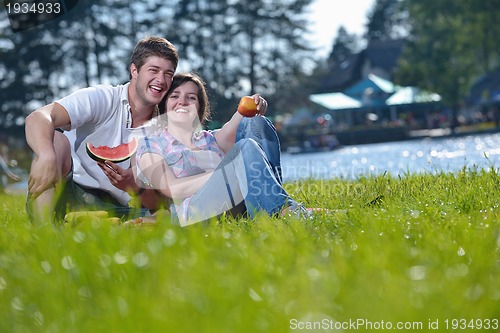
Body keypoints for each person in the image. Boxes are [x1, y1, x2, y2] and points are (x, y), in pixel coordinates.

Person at [25, 36, 179, 224]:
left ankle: (97, 227)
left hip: (119, 208)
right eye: (153, 70)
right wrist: (46, 154)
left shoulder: (165, 129)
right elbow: (39, 117)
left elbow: (159, 203)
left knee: (168, 215)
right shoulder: (104, 98)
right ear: (134, 71)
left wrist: (134, 187)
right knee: (57, 141)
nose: (161, 80)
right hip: (71, 191)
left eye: (168, 74)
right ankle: (44, 232)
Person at [133, 73, 315, 226]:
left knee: (256, 122)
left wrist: (254, 104)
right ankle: (284, 211)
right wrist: (228, 172)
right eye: (174, 96)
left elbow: (241, 118)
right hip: (195, 213)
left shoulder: (211, 139)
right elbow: (172, 189)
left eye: (191, 97)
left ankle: (277, 206)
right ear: (163, 105)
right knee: (244, 149)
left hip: (237, 204)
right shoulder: (150, 145)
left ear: (199, 107)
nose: (183, 102)